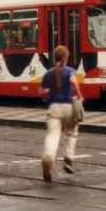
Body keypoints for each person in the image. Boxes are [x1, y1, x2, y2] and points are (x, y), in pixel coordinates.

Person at [39, 45, 83, 182]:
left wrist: (47, 92)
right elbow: (73, 81)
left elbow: (40, 91)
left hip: (54, 108)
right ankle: (68, 160)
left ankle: (48, 157)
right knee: (71, 133)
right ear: (65, 57)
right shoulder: (70, 70)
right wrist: (80, 95)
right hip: (68, 107)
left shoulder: (49, 73)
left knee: (53, 135)